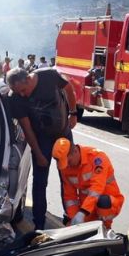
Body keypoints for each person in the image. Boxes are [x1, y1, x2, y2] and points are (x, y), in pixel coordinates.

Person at [7, 67, 79, 230]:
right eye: (19, 93)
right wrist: (38, 153)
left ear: (29, 79)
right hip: (41, 140)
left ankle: (71, 219)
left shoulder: (49, 76)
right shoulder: (16, 98)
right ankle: (39, 224)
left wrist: (73, 113)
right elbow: (27, 129)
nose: (23, 95)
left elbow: (68, 88)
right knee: (40, 182)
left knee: (68, 177)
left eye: (24, 90)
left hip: (63, 134)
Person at [51, 138, 124, 229]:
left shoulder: (97, 158)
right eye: (65, 163)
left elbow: (97, 189)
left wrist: (82, 212)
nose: (67, 166)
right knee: (70, 226)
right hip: (86, 206)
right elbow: (70, 197)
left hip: (107, 203)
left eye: (68, 162)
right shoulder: (65, 167)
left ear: (75, 151)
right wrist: (74, 217)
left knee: (103, 202)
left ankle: (106, 228)